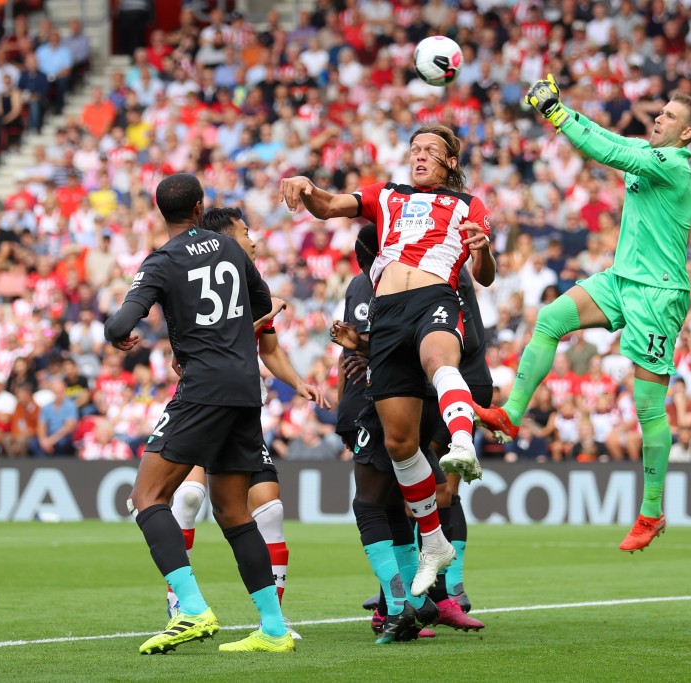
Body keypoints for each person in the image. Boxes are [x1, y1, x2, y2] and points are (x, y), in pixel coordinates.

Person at [474, 75, 691, 552]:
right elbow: (611, 140)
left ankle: (651, 511)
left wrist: (556, 115)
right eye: (660, 111)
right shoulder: (650, 151)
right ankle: (512, 414)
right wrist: (569, 112)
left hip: (658, 293)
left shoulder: (674, 165)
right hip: (621, 278)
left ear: (686, 134)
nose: (658, 117)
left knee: (647, 407)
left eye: (669, 116)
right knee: (549, 319)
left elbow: (612, 155)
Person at [280, 124, 496, 598]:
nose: (419, 156)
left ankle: (462, 443)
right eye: (414, 148)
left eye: (431, 151)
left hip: (435, 296)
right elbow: (330, 205)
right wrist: (306, 187)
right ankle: (434, 544)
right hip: (388, 314)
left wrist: (481, 251)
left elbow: (484, 275)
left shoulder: (467, 205)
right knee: (400, 444)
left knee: (441, 358)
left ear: (450, 163)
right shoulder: (387, 195)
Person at [103, 173, 295, 653]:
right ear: (199, 207)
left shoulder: (162, 261)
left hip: (204, 387)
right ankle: (272, 629)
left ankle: (190, 609)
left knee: (147, 496)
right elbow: (264, 302)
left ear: (159, 211)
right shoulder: (230, 249)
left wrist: (123, 337)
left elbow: (121, 323)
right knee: (233, 510)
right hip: (245, 389)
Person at [164, 207, 328, 640]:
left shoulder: (254, 285)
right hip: (205, 404)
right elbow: (178, 357)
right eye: (245, 231)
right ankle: (180, 606)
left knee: (270, 511)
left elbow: (268, 349)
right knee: (187, 499)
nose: (253, 238)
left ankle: (273, 620)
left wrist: (298, 382)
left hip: (242, 410)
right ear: (222, 239)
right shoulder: (195, 279)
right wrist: (255, 318)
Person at [335, 226, 483, 643]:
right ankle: (419, 602)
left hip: (385, 405)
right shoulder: (438, 284)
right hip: (422, 403)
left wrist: (361, 351)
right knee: (410, 501)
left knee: (369, 504)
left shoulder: (381, 283)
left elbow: (387, 351)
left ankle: (396, 606)